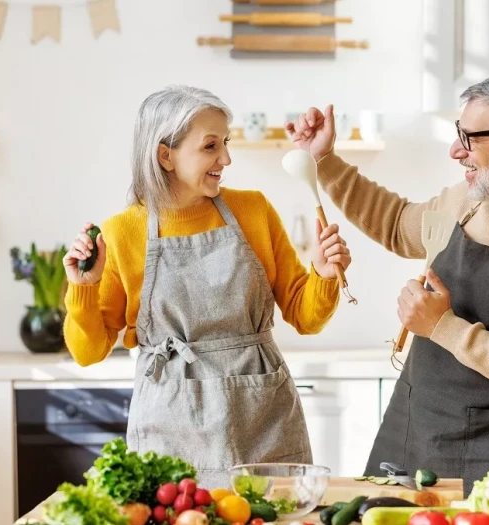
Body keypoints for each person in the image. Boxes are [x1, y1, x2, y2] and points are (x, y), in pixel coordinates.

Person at [286, 74, 489, 492]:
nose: (455, 150)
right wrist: (325, 160)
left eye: (470, 137)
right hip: (409, 437)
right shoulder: (468, 202)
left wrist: (441, 327)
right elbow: (395, 223)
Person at [62, 85, 352, 489]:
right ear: (165, 155)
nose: (226, 159)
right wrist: (84, 288)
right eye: (211, 146)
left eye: (226, 143)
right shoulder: (122, 233)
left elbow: (305, 318)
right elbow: (87, 351)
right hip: (170, 429)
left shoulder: (253, 210)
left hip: (263, 421)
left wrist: (322, 274)